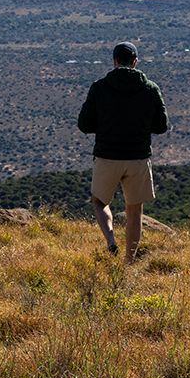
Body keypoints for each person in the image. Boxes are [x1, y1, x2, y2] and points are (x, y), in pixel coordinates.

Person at [79, 42, 167, 260]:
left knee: (99, 201)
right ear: (135, 62)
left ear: (115, 61)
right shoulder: (150, 89)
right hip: (138, 157)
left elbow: (84, 124)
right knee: (135, 211)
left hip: (107, 155)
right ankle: (129, 259)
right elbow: (161, 126)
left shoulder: (99, 87)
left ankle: (110, 241)